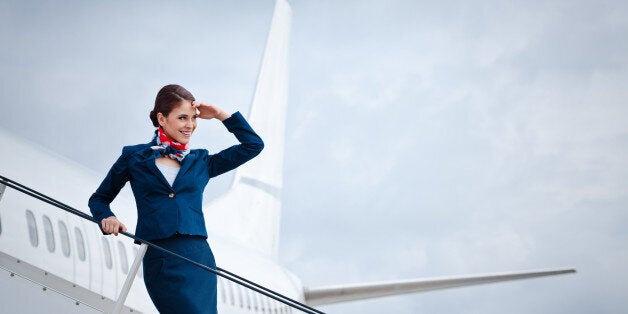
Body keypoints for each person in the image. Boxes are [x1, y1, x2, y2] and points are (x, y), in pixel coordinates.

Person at [88, 84, 263, 314]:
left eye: (193, 118)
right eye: (182, 118)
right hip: (159, 257)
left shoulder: (202, 161)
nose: (190, 125)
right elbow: (99, 199)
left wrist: (220, 115)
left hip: (198, 259)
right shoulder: (134, 157)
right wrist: (106, 216)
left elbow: (253, 145)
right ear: (162, 118)